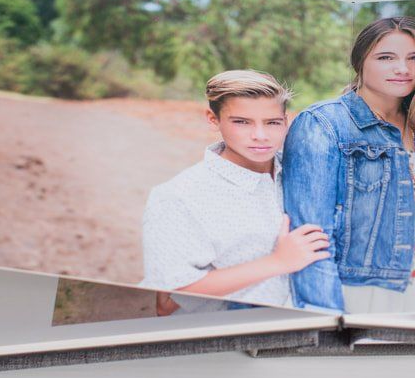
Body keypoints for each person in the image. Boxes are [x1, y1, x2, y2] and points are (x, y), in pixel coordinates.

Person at [282, 16, 415, 313]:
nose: (403, 69)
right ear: (360, 62)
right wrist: (325, 322)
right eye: (386, 57)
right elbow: (313, 239)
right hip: (368, 296)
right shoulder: (323, 125)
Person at [139, 70, 330, 313]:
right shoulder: (178, 196)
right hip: (229, 334)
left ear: (286, 120)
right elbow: (166, 303)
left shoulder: (305, 173)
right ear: (213, 119)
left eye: (272, 122)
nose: (260, 136)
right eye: (241, 122)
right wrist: (277, 262)